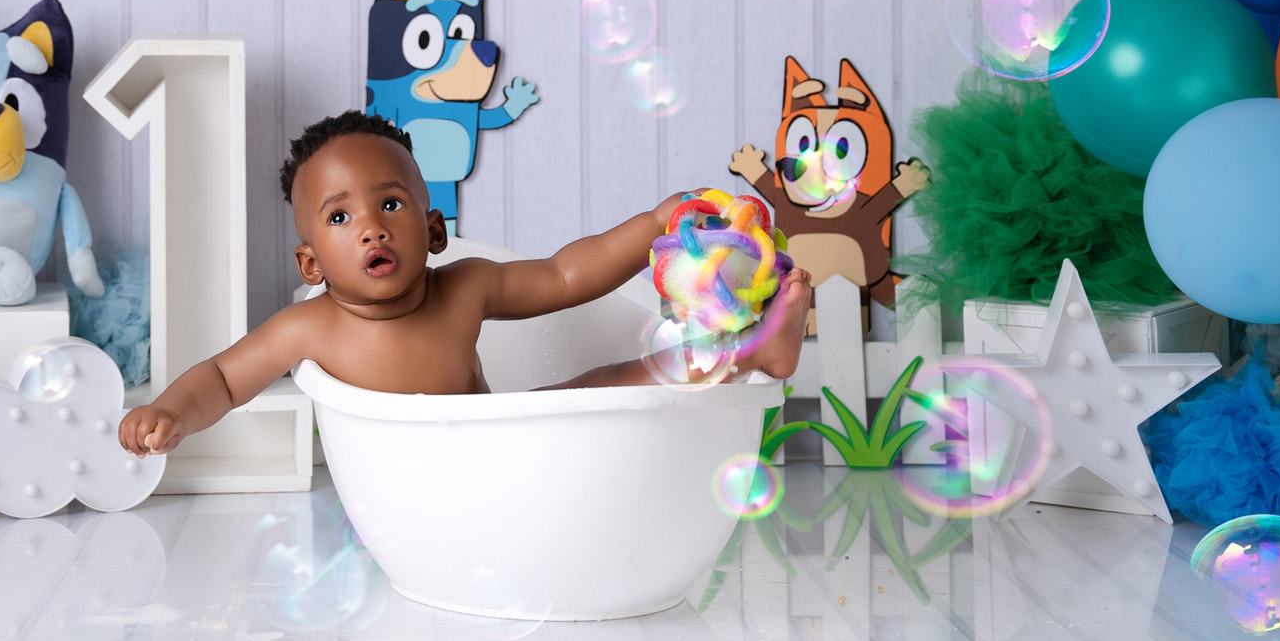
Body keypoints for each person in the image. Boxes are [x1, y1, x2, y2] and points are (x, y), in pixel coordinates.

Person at [118, 110, 812, 457]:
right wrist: (173, 411)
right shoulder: (309, 326)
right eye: (339, 215)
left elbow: (567, 273)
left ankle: (749, 352)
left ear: (435, 229)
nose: (370, 228)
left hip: (504, 454)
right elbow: (224, 376)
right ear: (310, 264)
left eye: (390, 204)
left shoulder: (465, 287)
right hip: (411, 493)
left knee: (603, 384)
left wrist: (655, 222)